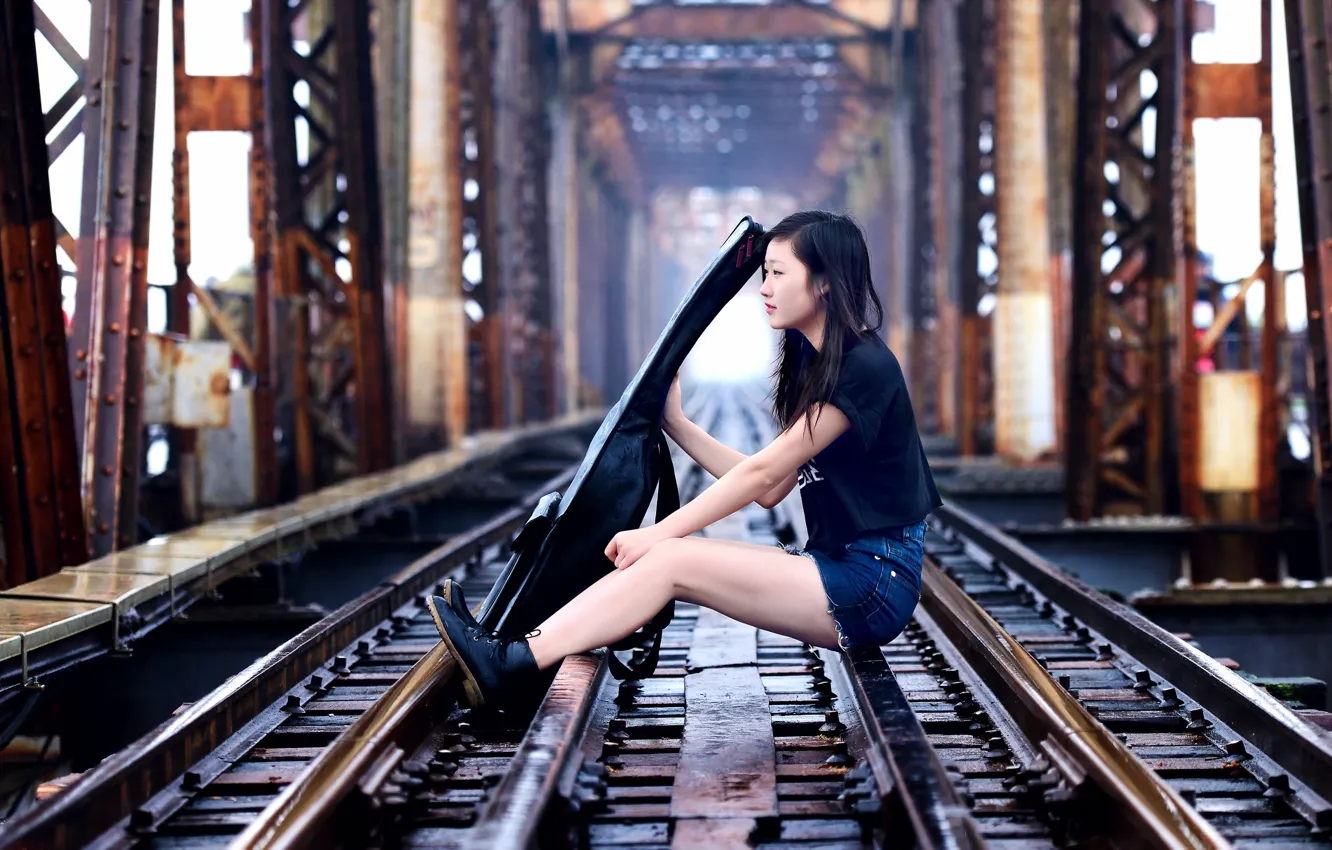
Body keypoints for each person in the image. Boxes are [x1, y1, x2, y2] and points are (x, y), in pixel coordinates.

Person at [426, 210, 942, 709]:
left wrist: (659, 532)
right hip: (839, 568)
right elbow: (771, 490)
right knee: (666, 557)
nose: (763, 288)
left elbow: (762, 474)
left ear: (824, 282)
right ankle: (512, 649)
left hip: (872, 583)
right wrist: (677, 423)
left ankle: (510, 661)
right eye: (763, 274)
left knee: (670, 557)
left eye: (778, 273)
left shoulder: (864, 368)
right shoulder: (815, 362)